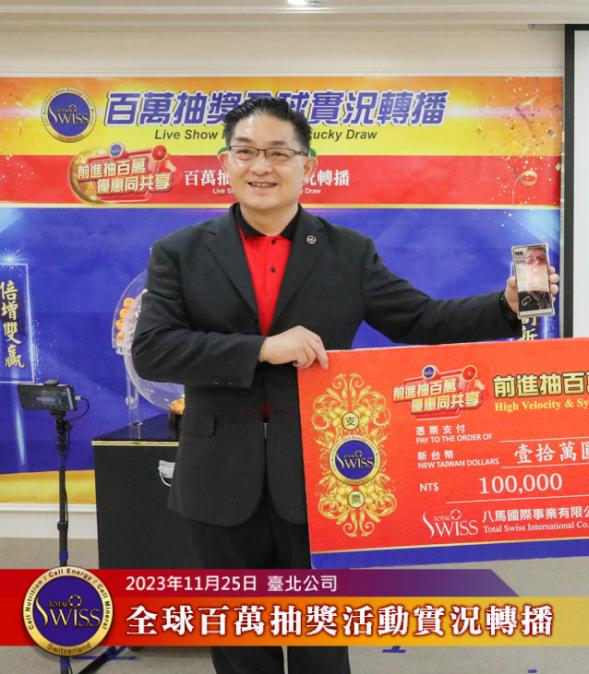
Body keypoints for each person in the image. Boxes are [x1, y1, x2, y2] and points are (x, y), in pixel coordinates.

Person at [131, 97, 557, 674]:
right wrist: (261, 348)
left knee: (320, 637)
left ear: (308, 165)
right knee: (240, 638)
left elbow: (421, 320)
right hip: (218, 472)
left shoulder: (347, 254)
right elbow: (153, 348)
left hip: (323, 473)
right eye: (246, 152)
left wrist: (504, 307)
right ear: (224, 163)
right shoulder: (181, 252)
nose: (262, 166)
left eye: (279, 153)